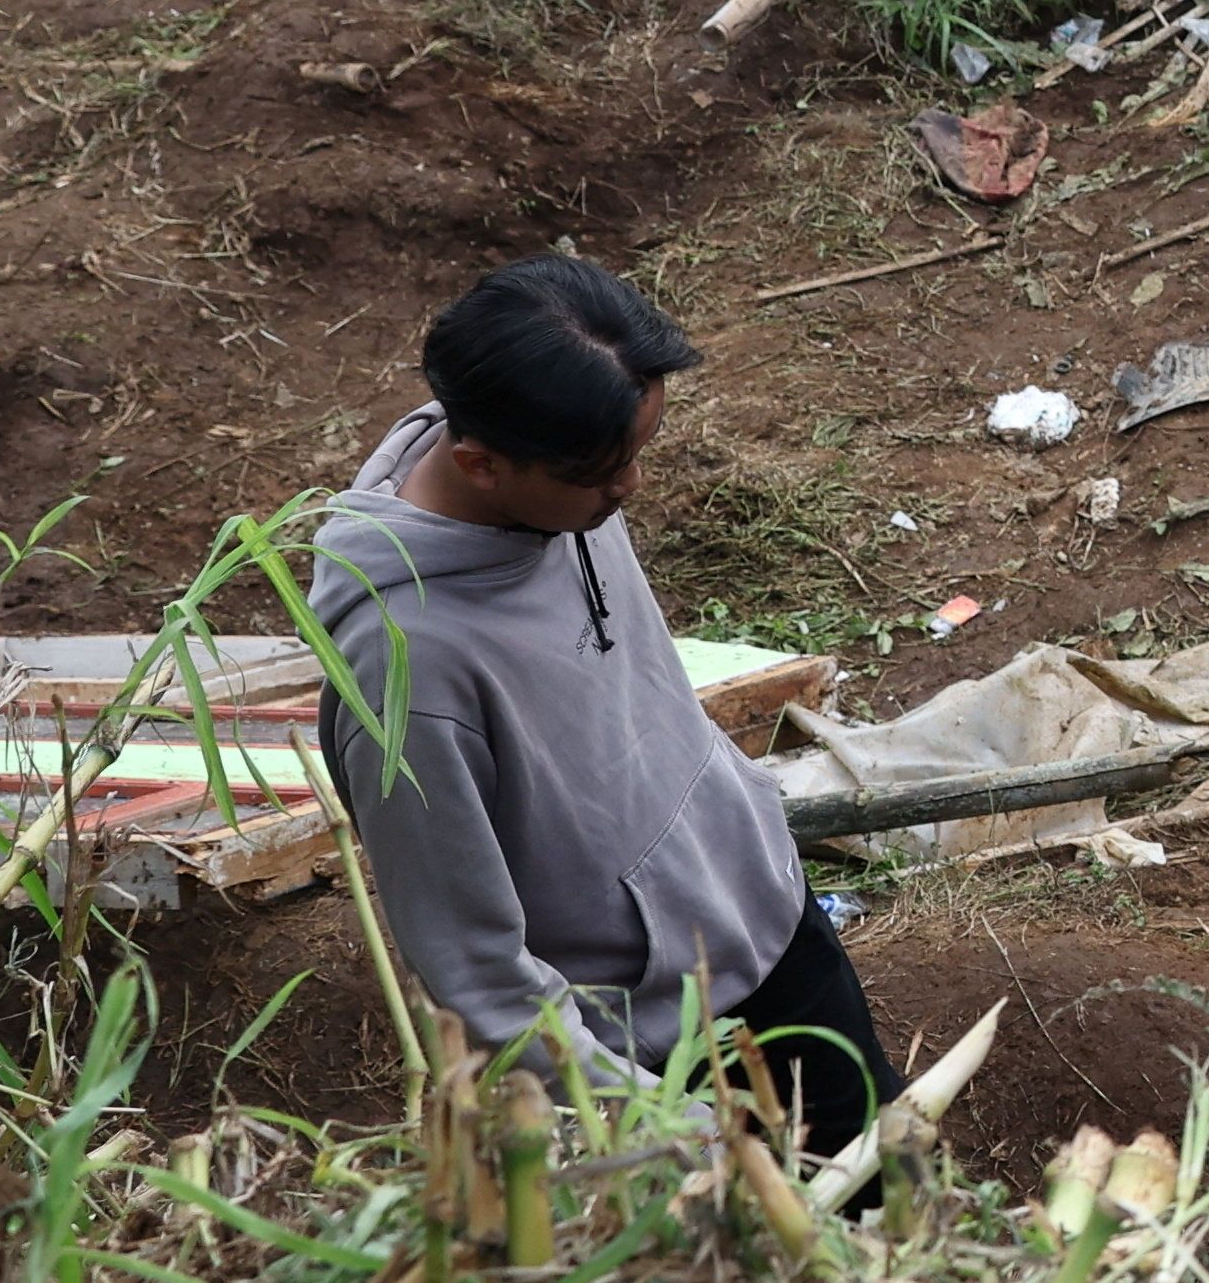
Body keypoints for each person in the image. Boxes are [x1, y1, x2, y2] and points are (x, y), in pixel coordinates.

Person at [305, 258, 893, 1155]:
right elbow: (474, 970)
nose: (630, 490)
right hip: (660, 1042)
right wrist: (664, 1118)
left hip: (764, 911)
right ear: (481, 465)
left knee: (894, 1184)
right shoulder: (410, 674)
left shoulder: (556, 471)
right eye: (605, 473)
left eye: (636, 455)